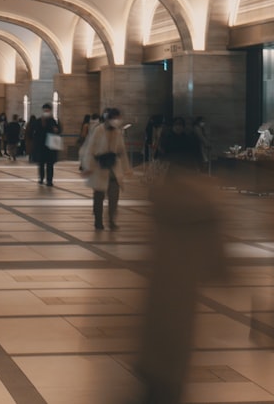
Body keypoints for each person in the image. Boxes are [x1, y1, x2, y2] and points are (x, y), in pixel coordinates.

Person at [134, 117, 226, 403]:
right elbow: (217, 265)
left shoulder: (159, 197)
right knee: (173, 365)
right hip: (184, 293)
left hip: (158, 289)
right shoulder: (205, 203)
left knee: (155, 360)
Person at [81, 107, 130, 229]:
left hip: (113, 167)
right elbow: (90, 149)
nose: (116, 121)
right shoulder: (98, 130)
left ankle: (111, 220)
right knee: (99, 196)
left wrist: (126, 168)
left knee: (114, 197)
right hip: (99, 167)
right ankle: (98, 220)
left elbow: (122, 151)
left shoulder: (118, 132)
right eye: (114, 118)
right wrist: (88, 166)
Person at [32, 104, 61, 186]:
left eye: (47, 110)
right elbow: (35, 132)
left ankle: (49, 180)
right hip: (41, 146)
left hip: (50, 147)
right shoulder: (39, 121)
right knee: (41, 164)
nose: (46, 112)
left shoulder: (53, 121)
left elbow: (58, 131)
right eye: (45, 110)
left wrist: (56, 130)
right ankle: (41, 178)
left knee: (50, 164)